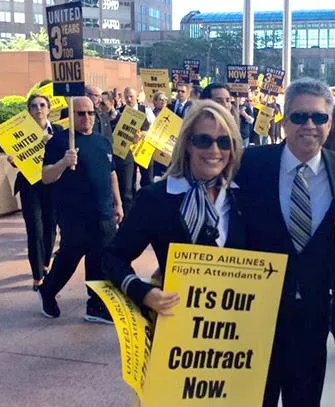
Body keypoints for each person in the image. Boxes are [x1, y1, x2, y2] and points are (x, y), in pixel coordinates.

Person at [236, 78, 335, 406]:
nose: (309, 125)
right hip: (256, 316)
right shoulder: (250, 164)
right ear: (284, 119)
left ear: (330, 122)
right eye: (299, 117)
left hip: (313, 317)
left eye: (319, 117)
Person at [102, 100, 245, 313]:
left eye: (224, 142)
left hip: (236, 328)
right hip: (178, 327)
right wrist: (144, 293)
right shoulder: (156, 198)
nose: (214, 150)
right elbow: (113, 257)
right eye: (203, 140)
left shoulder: (244, 197)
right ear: (187, 143)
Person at [37, 96, 124, 323]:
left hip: (104, 214)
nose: (87, 118)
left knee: (100, 260)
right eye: (80, 113)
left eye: (90, 113)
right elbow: (46, 177)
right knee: (69, 258)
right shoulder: (59, 142)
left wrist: (118, 204)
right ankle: (48, 290)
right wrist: (63, 163)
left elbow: (111, 173)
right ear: (71, 116)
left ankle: (95, 306)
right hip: (75, 216)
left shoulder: (103, 142)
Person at [10, 95, 60, 291]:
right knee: (35, 229)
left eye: (41, 105)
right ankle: (37, 275)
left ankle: (45, 263)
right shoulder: (19, 133)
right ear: (28, 110)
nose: (38, 109)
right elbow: (16, 156)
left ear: (48, 108)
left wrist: (53, 143)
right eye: (33, 106)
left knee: (50, 228)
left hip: (52, 185)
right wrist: (13, 159)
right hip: (30, 186)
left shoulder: (58, 131)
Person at [122, 87, 155, 189]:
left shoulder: (146, 110)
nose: (129, 99)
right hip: (128, 151)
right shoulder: (120, 111)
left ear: (136, 96)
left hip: (143, 149)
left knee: (148, 179)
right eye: (126, 97)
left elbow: (154, 127)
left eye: (131, 96)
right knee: (129, 181)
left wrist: (145, 133)